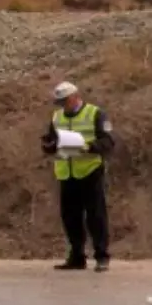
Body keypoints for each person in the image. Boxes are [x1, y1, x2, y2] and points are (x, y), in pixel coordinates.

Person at [40, 81, 115, 272]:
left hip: (90, 170)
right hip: (66, 172)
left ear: (75, 96)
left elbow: (108, 141)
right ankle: (76, 256)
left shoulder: (95, 113)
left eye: (65, 100)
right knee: (70, 217)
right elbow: (50, 139)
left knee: (95, 216)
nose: (62, 105)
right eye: (59, 102)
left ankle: (101, 256)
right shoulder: (57, 117)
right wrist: (48, 146)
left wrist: (90, 147)